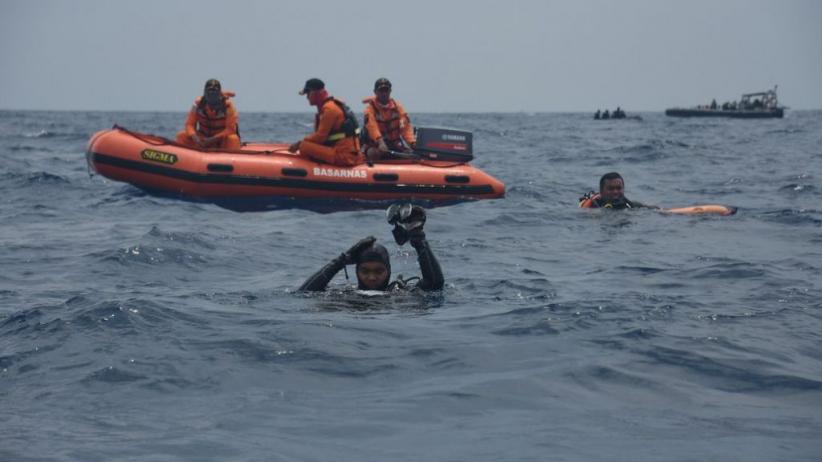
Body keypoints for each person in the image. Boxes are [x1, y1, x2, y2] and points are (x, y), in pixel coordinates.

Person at [299, 204, 444, 292]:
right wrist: (340, 261)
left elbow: (435, 284)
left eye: (379, 271)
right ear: (356, 270)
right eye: (365, 271)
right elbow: (304, 294)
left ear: (388, 270)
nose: (372, 277)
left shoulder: (399, 294)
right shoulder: (345, 294)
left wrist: (419, 239)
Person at [288, 78, 364, 167]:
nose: (307, 97)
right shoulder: (331, 106)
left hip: (344, 157)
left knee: (304, 146)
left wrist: (299, 143)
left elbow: (320, 137)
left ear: (315, 93)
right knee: (306, 145)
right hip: (349, 154)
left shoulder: (329, 109)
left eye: (308, 94)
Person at [361, 78, 416, 164]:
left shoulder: (398, 108)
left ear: (390, 91)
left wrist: (413, 144)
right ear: (375, 92)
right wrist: (380, 142)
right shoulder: (370, 109)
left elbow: (405, 129)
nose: (384, 93)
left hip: (394, 145)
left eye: (386, 90)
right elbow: (372, 127)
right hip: (375, 145)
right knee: (373, 153)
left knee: (411, 154)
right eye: (381, 90)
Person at [176, 79, 241, 150]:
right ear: (204, 92)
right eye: (209, 91)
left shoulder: (228, 106)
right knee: (181, 135)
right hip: (203, 137)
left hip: (221, 139)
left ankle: (230, 157)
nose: (211, 94)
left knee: (233, 139)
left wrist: (212, 139)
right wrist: (195, 138)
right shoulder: (197, 104)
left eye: (214, 91)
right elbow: (189, 125)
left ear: (219, 93)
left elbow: (231, 129)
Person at [579, 172, 651, 210]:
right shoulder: (592, 206)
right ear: (601, 191)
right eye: (611, 189)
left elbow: (648, 207)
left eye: (619, 188)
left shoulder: (628, 204)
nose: (615, 192)